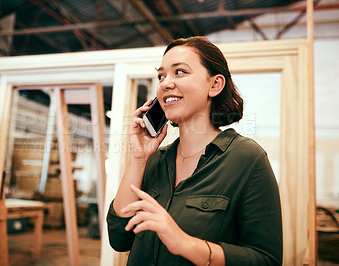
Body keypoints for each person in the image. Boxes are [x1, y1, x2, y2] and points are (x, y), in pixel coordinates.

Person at [107, 36, 282, 266]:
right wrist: (137, 159)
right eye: (161, 75)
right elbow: (119, 238)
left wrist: (185, 243)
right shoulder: (155, 161)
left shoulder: (248, 159)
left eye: (179, 72)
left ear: (215, 85)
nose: (165, 83)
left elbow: (266, 260)